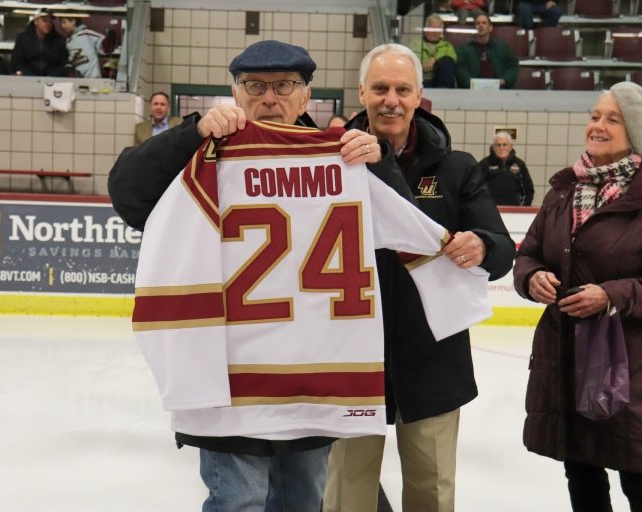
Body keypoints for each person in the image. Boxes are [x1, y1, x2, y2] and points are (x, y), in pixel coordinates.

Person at [108, 39, 412, 512]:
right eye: (255, 86)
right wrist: (191, 134)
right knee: (239, 500)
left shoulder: (345, 155)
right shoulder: (207, 147)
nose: (270, 97)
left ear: (306, 96)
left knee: (304, 500)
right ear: (236, 91)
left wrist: (382, 164)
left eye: (284, 85)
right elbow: (127, 193)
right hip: (231, 375)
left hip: (312, 376)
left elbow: (403, 234)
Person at [323, 43, 515, 512]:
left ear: (419, 96)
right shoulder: (325, 163)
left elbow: (504, 248)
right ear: (361, 92)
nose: (391, 99)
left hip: (432, 362)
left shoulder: (457, 169)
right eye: (381, 88)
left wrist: (483, 245)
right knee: (347, 496)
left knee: (431, 495)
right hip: (349, 360)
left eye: (402, 89)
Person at [512, 81, 642, 512]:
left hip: (630, 364)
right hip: (566, 355)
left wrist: (610, 295)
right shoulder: (563, 191)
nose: (598, 125)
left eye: (613, 119)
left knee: (635, 473)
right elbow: (527, 255)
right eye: (594, 116)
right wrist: (532, 279)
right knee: (581, 472)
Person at [455, 13, 519, 89]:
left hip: (499, 90)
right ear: (475, 27)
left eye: (484, 23)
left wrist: (504, 80)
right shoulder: (464, 49)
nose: (481, 25)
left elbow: (513, 66)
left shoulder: (502, 47)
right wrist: (470, 83)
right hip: (472, 91)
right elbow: (460, 69)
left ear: (490, 28)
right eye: (478, 23)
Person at [479, 131, 534, 206]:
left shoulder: (519, 164)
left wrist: (523, 208)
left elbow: (528, 189)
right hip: (490, 210)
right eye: (498, 145)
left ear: (510, 146)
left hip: (514, 211)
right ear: (493, 147)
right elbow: (476, 188)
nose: (501, 148)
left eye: (504, 145)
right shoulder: (484, 164)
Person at [10, 8, 69, 77]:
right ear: (36, 22)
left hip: (52, 81)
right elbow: (16, 63)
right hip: (27, 79)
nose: (48, 24)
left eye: (50, 21)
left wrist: (52, 77)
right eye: (44, 20)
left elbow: (64, 65)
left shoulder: (59, 40)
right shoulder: (22, 38)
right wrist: (29, 76)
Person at [418, 14, 457, 88]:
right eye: (433, 29)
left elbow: (453, 58)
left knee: (447, 61)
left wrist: (434, 59)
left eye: (438, 30)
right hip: (423, 80)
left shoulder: (447, 45)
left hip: (442, 81)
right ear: (426, 29)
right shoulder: (416, 44)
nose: (435, 32)